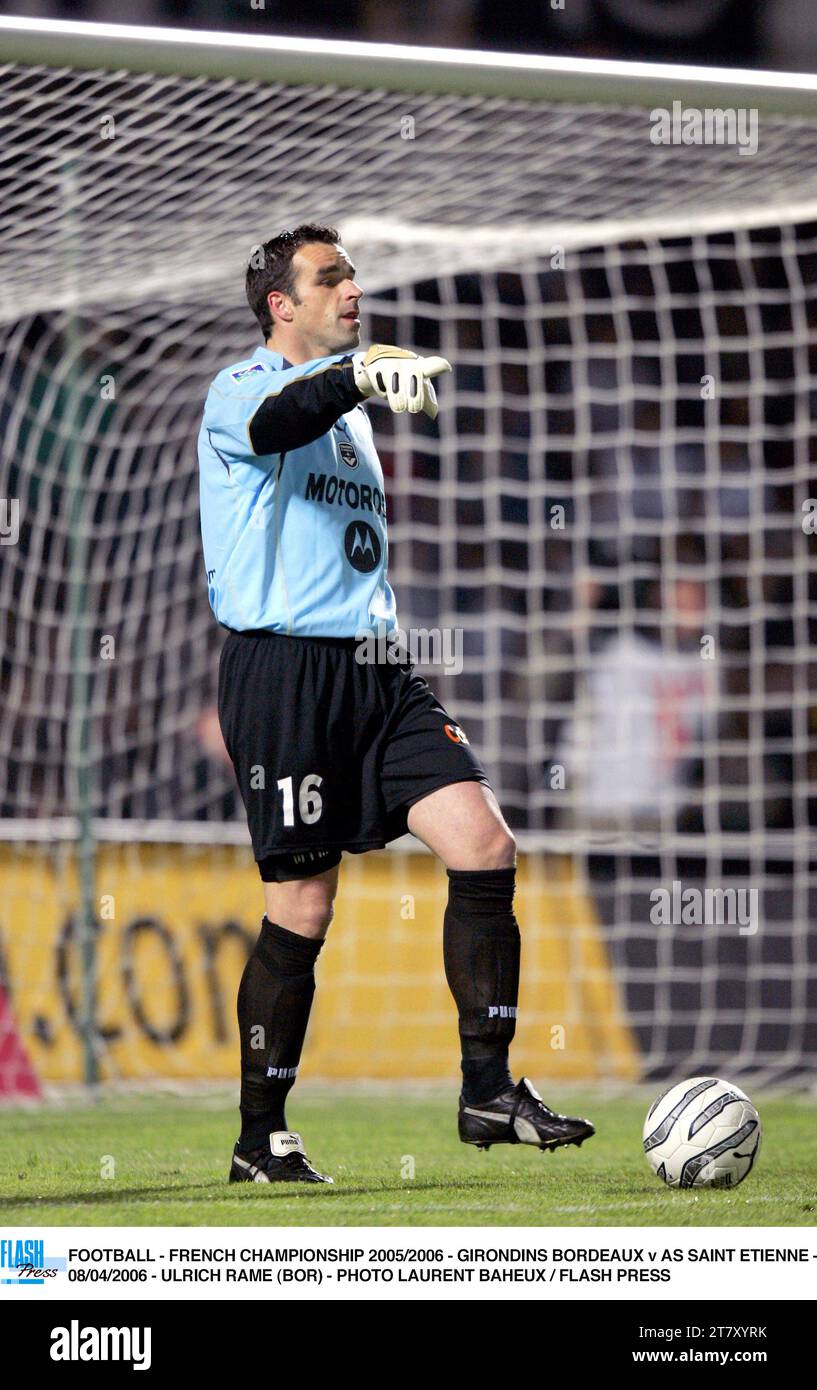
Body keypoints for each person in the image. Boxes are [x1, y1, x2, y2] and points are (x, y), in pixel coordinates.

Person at [198, 224, 594, 1184]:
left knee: (484, 843)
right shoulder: (242, 389)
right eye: (329, 278)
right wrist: (357, 375)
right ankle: (261, 1140)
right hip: (285, 671)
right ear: (279, 305)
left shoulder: (353, 414)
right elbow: (276, 426)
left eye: (353, 274)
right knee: (303, 903)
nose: (352, 289)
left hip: (378, 667)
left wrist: (357, 386)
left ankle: (487, 1089)